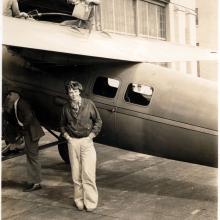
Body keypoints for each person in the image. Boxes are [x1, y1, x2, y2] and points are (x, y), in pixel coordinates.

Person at [60, 81, 102, 211]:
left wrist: (91, 136)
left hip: (86, 142)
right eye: (70, 92)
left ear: (79, 91)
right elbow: (62, 125)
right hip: (73, 142)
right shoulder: (66, 107)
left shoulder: (89, 104)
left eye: (74, 91)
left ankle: (90, 202)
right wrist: (67, 137)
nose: (72, 94)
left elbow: (98, 121)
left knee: (88, 173)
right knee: (75, 175)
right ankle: (79, 200)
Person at [5, 90, 45, 192]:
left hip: (32, 133)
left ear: (16, 94)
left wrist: (23, 129)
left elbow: (29, 116)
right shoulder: (16, 103)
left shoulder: (22, 103)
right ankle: (33, 181)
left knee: (33, 158)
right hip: (29, 133)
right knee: (31, 157)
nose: (8, 96)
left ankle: (36, 183)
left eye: (10, 94)